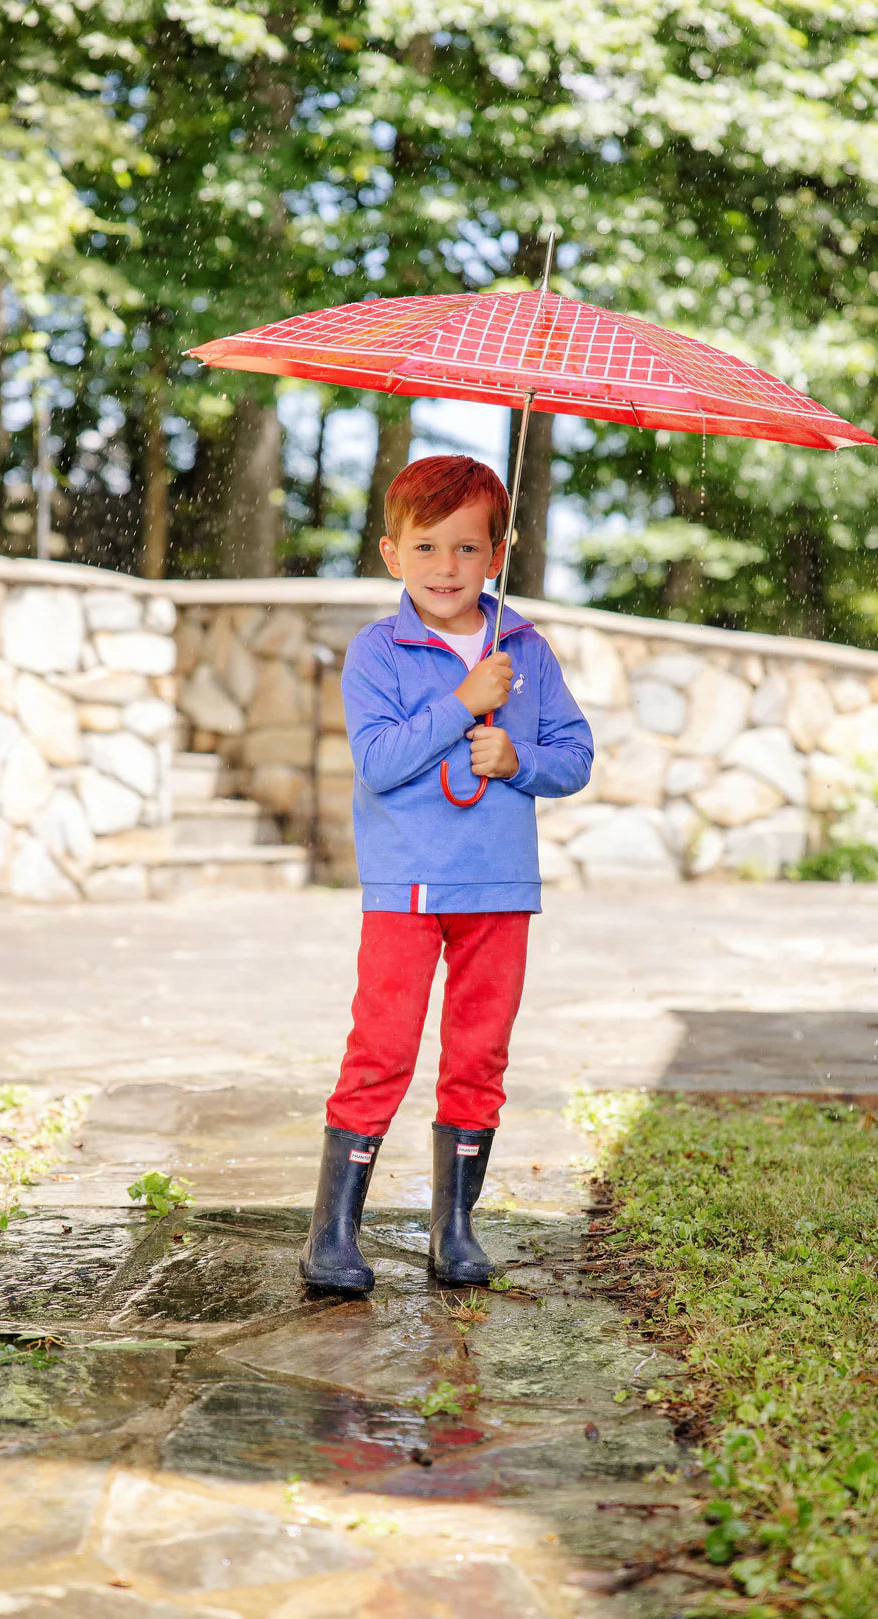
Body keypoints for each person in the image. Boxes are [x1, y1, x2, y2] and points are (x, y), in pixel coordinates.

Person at [299, 453, 594, 1293]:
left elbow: (575, 757)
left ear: (497, 554)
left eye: (467, 549)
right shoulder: (378, 651)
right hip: (409, 888)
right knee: (382, 1048)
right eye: (426, 547)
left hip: (498, 888)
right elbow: (381, 760)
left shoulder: (527, 650)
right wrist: (462, 703)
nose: (446, 568)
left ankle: (454, 1227)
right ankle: (332, 1235)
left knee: (479, 1053)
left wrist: (518, 756)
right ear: (392, 554)